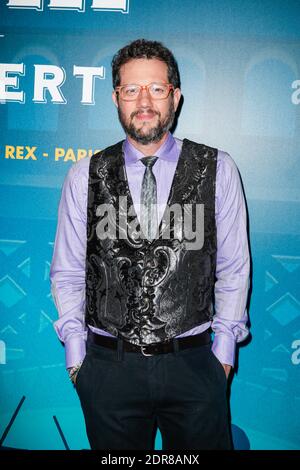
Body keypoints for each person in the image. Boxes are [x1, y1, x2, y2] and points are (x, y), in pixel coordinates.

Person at [50, 38, 250, 451]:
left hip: (194, 365)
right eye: (131, 90)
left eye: (156, 89)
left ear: (175, 97)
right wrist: (77, 359)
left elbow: (233, 268)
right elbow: (68, 270)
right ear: (115, 98)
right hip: (108, 367)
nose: (144, 101)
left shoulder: (219, 168)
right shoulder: (83, 175)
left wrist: (223, 356)